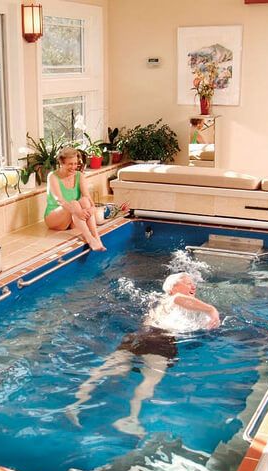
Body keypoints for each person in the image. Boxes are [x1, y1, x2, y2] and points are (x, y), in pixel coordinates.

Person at [65, 272, 219, 437]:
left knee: (109, 369)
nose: (193, 286)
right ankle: (131, 419)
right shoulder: (174, 298)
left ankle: (75, 404)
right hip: (159, 341)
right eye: (188, 283)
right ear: (173, 288)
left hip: (137, 336)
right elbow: (180, 299)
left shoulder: (160, 304)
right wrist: (212, 310)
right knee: (151, 380)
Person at [44, 147, 106, 251]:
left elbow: (87, 196)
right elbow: (59, 200)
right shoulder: (53, 176)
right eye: (70, 164)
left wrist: (93, 207)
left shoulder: (79, 175)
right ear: (61, 163)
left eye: (75, 163)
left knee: (85, 201)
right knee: (74, 203)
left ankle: (97, 237)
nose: (73, 167)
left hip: (73, 219)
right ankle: (90, 239)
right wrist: (77, 211)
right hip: (55, 217)